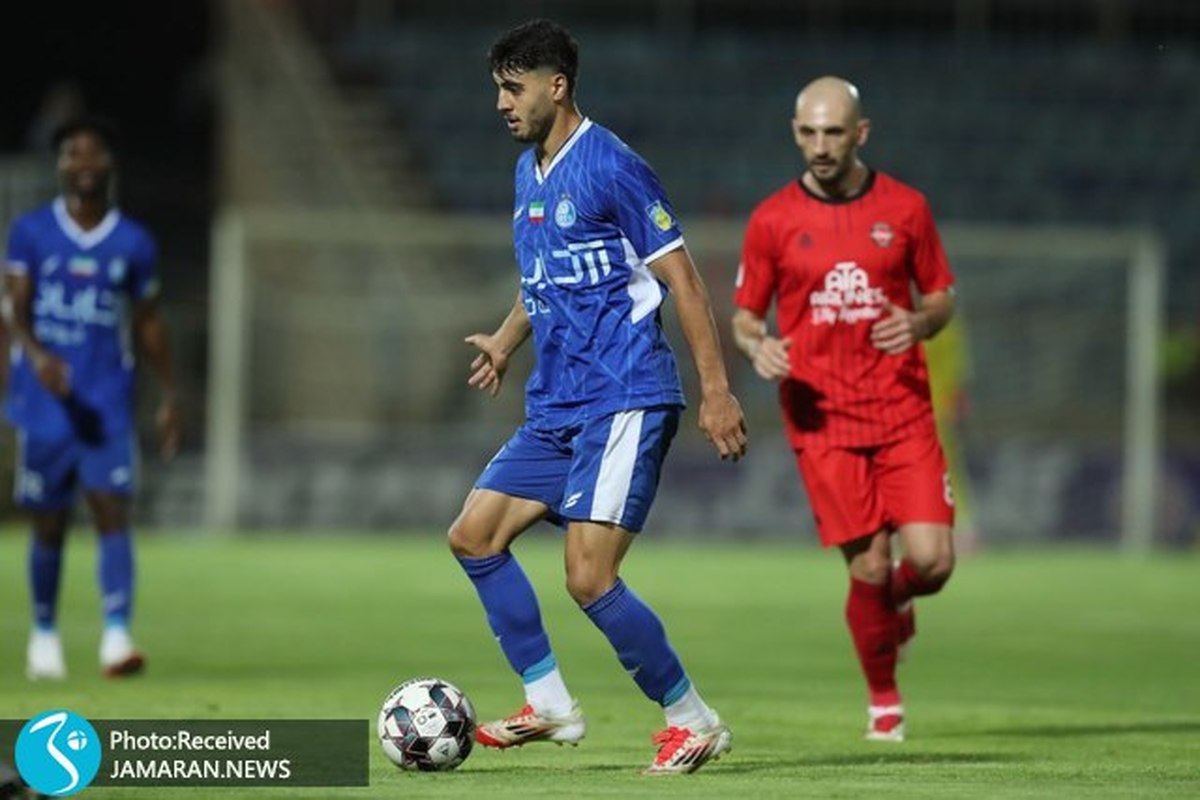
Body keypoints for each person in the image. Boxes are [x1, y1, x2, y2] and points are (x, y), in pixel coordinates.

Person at [449, 19, 746, 775]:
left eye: (513, 88)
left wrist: (716, 391)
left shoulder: (613, 166)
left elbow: (684, 282)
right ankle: (548, 703)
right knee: (474, 537)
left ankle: (693, 721)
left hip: (624, 395)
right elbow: (544, 278)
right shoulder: (529, 173)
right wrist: (506, 340)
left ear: (557, 86)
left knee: (588, 576)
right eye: (496, 89)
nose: (501, 104)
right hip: (557, 405)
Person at [731, 77, 956, 742]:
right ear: (795, 132)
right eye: (809, 132)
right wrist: (758, 347)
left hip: (902, 410)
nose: (821, 146)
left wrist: (919, 323)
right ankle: (884, 699)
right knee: (869, 565)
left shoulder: (906, 208)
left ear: (861, 133)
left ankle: (893, 606)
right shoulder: (772, 220)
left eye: (834, 132)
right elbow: (745, 317)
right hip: (822, 420)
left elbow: (941, 295)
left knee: (932, 563)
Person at [5, 117, 180, 680]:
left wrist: (169, 392)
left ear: (109, 163)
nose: (83, 164)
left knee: (112, 510)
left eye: (93, 153)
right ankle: (44, 634)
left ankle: (116, 635)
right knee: (49, 521)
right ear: (59, 165)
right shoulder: (31, 232)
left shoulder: (134, 241)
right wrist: (37, 358)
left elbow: (147, 320)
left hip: (106, 398)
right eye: (71, 154)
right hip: (46, 402)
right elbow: (15, 310)